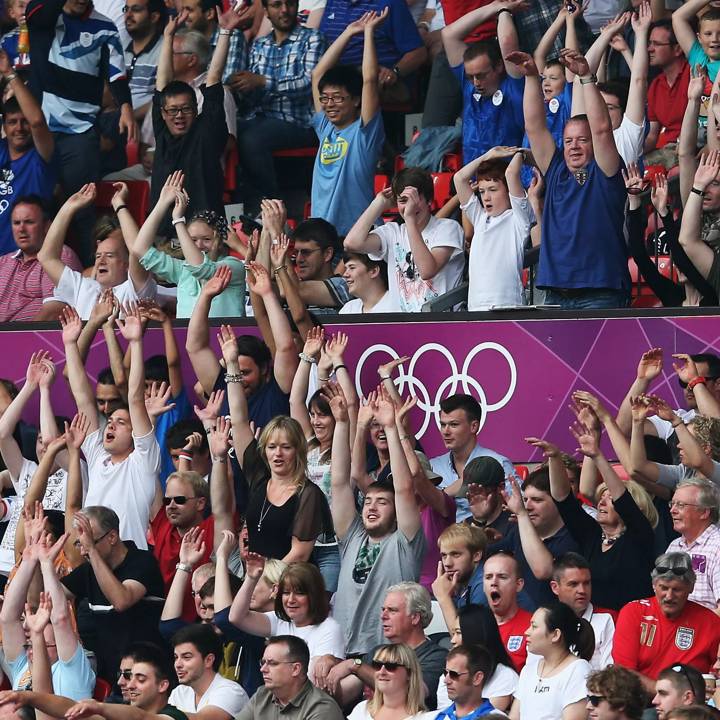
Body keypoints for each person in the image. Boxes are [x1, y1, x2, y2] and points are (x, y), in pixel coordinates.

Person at [510, 47, 629, 309]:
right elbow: (534, 126)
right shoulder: (555, 170)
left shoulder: (605, 170)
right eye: (568, 141)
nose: (574, 146)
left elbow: (601, 129)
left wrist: (586, 77)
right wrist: (531, 77)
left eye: (582, 140)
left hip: (601, 292)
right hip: (555, 293)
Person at [26, 0, 136, 265]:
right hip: (40, 131)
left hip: (82, 131)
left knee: (82, 209)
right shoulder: (46, 16)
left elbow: (117, 75)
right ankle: (31, 275)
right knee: (35, 206)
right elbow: (33, 15)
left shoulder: (105, 27)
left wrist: (126, 107)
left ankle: (91, 274)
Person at [328, 388, 425, 655]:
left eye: (382, 502)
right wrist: (347, 424)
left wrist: (392, 428)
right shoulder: (353, 538)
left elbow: (405, 489)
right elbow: (339, 482)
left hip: (386, 657)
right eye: (368, 502)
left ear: (397, 512)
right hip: (341, 653)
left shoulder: (405, 543)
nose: (371, 507)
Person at [61, 304, 164, 548]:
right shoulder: (98, 457)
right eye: (111, 422)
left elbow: (136, 399)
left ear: (135, 434)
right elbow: (83, 398)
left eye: (121, 422)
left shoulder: (143, 464)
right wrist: (69, 345)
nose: (111, 426)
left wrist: (136, 343)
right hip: (90, 558)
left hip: (128, 564)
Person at [528, 432, 657, 610]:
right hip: (594, 624)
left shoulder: (639, 537)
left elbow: (624, 502)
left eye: (609, 498)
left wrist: (597, 456)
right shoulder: (592, 535)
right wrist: (555, 458)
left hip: (631, 624)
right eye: (601, 497)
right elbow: (563, 500)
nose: (602, 502)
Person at [149, 7, 242, 232]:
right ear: (163, 113)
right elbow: (162, 83)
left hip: (203, 235)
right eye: (172, 111)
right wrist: (168, 36)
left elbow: (213, 78)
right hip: (163, 236)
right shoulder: (162, 132)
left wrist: (225, 32)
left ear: (196, 110)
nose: (179, 116)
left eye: (185, 109)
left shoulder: (205, 132)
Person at [232, 0, 326, 214]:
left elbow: (308, 83)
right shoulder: (260, 44)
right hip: (260, 118)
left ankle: (271, 204)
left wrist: (262, 81)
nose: (284, 10)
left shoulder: (313, 38)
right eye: (276, 5)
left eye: (289, 4)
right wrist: (241, 86)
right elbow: (252, 93)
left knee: (251, 138)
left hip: (299, 122)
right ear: (265, 11)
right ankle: (233, 203)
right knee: (225, 131)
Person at [61, 506, 165, 682]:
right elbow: (46, 598)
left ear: (112, 537)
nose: (83, 551)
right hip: (113, 678)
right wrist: (40, 561)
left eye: (89, 542)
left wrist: (92, 552)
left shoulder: (143, 561)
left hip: (148, 678)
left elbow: (121, 600)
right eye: (80, 543)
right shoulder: (90, 569)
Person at [344, 166, 465, 313]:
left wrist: (410, 219)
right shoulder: (392, 232)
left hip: (441, 324)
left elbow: (427, 270)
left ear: (429, 200)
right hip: (402, 326)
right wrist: (378, 204)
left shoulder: (447, 228)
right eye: (403, 200)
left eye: (415, 199)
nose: (409, 206)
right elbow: (352, 243)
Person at [309, 9, 386, 236]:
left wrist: (369, 33)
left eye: (338, 98)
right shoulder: (325, 127)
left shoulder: (364, 133)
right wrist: (349, 32)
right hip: (322, 233)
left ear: (355, 100)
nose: (329, 104)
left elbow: (370, 80)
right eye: (325, 98)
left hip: (357, 232)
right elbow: (318, 75)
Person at [131, 172, 246, 318]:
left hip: (226, 339)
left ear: (219, 240)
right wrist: (162, 203)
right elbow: (140, 249)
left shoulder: (233, 266)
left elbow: (202, 268)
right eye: (193, 240)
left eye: (206, 239)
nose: (199, 245)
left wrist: (178, 220)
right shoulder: (182, 270)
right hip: (187, 340)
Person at [318, 582, 447, 710]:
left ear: (415, 617)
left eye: (392, 610)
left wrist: (355, 665)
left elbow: (412, 693)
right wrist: (327, 674)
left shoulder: (436, 656)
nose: (383, 616)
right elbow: (340, 696)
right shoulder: (377, 652)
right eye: (383, 609)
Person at [36, 185, 157, 320]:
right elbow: (46, 257)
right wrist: (68, 208)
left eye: (110, 256)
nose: (101, 261)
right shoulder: (82, 287)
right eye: (98, 256)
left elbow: (138, 251)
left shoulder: (135, 289)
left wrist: (119, 205)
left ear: (127, 264)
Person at [0, 531, 95, 696]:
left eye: (44, 645)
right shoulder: (24, 667)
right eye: (30, 644)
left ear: (62, 648)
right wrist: (29, 561)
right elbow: (8, 618)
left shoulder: (73, 672)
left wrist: (47, 565)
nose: (33, 649)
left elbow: (60, 619)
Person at [613, 552, 720, 694]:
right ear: (653, 585)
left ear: (691, 588)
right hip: (641, 703)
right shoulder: (633, 612)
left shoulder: (710, 622)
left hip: (691, 707)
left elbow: (716, 674)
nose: (669, 596)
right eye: (663, 588)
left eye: (677, 590)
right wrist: (669, 695)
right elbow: (624, 673)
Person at [0, 641, 187, 720]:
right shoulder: (118, 714)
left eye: (140, 679)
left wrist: (100, 707)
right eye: (129, 677)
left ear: (163, 685)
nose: (129, 684)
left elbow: (142, 718)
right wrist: (26, 697)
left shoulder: (173, 715)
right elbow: (68, 708)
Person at [228, 557, 345, 678]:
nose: (290, 600)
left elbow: (313, 678)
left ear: (314, 596)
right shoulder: (280, 620)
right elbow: (236, 617)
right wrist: (251, 579)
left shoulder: (329, 628)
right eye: (286, 593)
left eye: (299, 593)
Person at [441, 1, 525, 163]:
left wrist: (504, 11)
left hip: (507, 180)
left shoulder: (514, 87)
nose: (475, 82)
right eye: (470, 76)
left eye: (481, 75)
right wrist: (494, 6)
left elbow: (507, 41)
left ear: (499, 66)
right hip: (474, 181)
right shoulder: (469, 86)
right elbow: (449, 34)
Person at [489, 468, 579, 608]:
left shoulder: (574, 537)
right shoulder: (518, 531)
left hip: (555, 623)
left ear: (558, 502)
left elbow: (543, 571)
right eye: (525, 500)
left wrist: (522, 515)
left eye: (537, 500)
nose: (528, 506)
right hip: (520, 621)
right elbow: (481, 554)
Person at [454, 146, 531, 311]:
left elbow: (511, 174)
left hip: (509, 306)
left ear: (508, 190)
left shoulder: (518, 219)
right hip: (476, 308)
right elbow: (459, 178)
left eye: (493, 190)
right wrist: (487, 155)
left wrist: (519, 153)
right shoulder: (480, 218)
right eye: (482, 191)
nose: (486, 197)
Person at [430, 394, 516, 523]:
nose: (445, 431)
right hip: (443, 539)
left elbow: (519, 507)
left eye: (453, 424)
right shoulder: (433, 466)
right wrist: (447, 493)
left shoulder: (498, 463)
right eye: (443, 425)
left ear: (474, 426)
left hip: (489, 538)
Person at [0, 53, 54, 256]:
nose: (20, 128)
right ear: (4, 125)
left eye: (24, 122)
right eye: (12, 122)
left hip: (24, 259)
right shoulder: (2, 149)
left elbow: (37, 121)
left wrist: (9, 73)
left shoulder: (41, 155)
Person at [0, 196, 83, 322]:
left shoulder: (60, 256)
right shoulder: (3, 262)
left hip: (31, 339)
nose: (21, 229)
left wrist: (21, 339)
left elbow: (55, 311)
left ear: (47, 226)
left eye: (29, 222)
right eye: (16, 223)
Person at [510, 602, 593, 720]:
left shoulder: (578, 670)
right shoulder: (528, 670)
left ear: (555, 635)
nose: (526, 632)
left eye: (534, 626)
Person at [150, 470, 216, 620]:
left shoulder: (212, 529)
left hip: (203, 624)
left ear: (200, 503)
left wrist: (219, 458)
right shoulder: (162, 526)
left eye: (179, 500)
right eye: (167, 501)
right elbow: (149, 471)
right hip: (163, 622)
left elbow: (223, 506)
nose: (171, 506)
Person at [235, 636, 345, 720]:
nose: (263, 669)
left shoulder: (322, 708)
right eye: (263, 663)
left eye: (272, 663)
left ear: (296, 669)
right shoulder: (262, 694)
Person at [435, 604, 519, 713]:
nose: (453, 640)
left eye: (459, 633)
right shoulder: (447, 673)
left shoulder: (504, 676)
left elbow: (486, 717)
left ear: (475, 634)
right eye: (453, 633)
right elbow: (443, 713)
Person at [549, 554, 615, 671]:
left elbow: (610, 675)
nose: (582, 590)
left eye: (586, 583)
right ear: (555, 587)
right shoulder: (544, 620)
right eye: (573, 584)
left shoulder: (608, 618)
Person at [169, 624, 249, 718]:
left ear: (208, 660)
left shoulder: (231, 691)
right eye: (176, 657)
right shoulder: (179, 692)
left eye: (186, 657)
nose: (178, 664)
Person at [666, 478, 720, 611]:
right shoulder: (674, 546)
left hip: (707, 629)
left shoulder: (718, 546)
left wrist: (693, 628)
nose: (672, 510)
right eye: (672, 504)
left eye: (680, 505)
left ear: (704, 512)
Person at [644, 20, 690, 167]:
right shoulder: (655, 85)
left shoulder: (694, 74)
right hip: (665, 151)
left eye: (656, 44)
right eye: (649, 43)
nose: (649, 49)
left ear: (677, 49)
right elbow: (652, 135)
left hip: (691, 149)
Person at [347, 643, 428, 720]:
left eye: (391, 666)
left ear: (409, 673)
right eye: (377, 665)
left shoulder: (424, 718)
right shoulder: (362, 709)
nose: (382, 672)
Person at [483, 552, 532, 674]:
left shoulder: (533, 625)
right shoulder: (477, 625)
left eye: (502, 577)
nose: (494, 582)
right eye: (488, 577)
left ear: (518, 585)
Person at [123, 0, 165, 121]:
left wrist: (130, 118)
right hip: (116, 117)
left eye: (136, 9)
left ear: (154, 17)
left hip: (148, 122)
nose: (128, 15)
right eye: (126, 9)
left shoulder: (166, 49)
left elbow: (165, 99)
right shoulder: (119, 46)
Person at [463, 457, 513, 537]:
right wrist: (478, 521)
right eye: (471, 491)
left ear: (500, 487)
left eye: (480, 491)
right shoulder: (465, 526)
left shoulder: (515, 523)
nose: (475, 497)